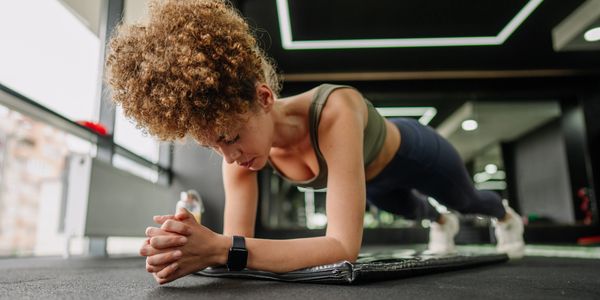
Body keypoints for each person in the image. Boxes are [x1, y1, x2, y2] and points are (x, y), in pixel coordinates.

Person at [105, 0, 525, 285]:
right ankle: (438, 222)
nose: (229, 155)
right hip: (373, 182)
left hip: (416, 153)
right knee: (416, 212)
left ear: (264, 98)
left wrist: (219, 248)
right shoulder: (236, 153)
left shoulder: (336, 109)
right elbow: (236, 247)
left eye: (231, 137)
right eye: (213, 145)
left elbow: (342, 248)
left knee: (466, 202)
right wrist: (192, 247)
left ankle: (506, 215)